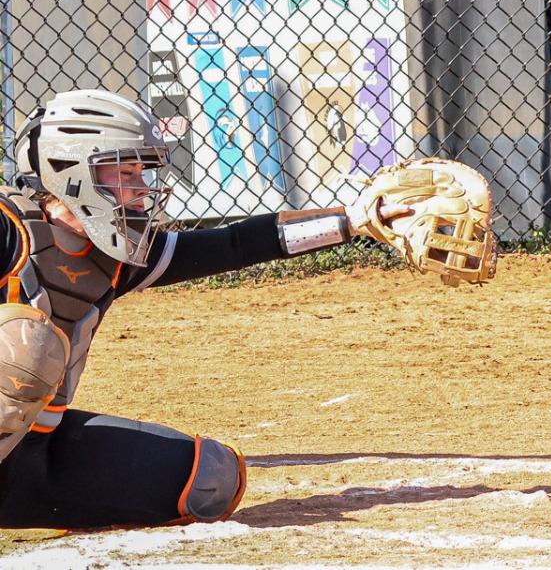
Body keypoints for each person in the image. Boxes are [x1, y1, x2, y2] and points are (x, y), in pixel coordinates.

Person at [0, 89, 388, 529]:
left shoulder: (112, 257)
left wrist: (354, 222)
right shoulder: (9, 230)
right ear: (71, 172)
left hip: (34, 456)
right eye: (127, 172)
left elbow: (235, 243)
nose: (144, 189)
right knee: (24, 343)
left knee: (209, 481)